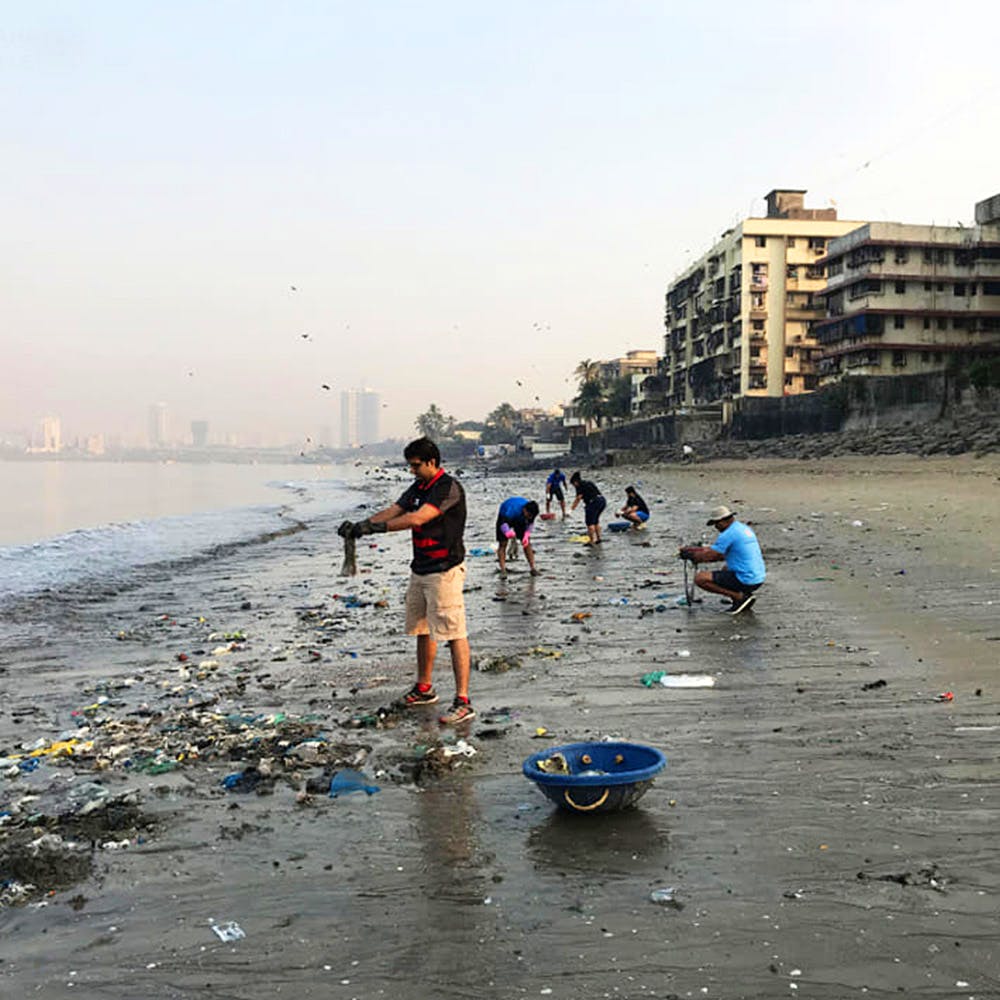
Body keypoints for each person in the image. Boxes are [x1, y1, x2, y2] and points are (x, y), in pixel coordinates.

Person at [337, 437, 474, 724]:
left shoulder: (447, 487)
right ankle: (424, 688)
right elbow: (396, 509)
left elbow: (417, 519)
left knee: (453, 632)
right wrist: (361, 526)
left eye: (415, 465)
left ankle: (463, 700)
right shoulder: (418, 487)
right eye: (409, 466)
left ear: (432, 462)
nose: (411, 471)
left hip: (444, 570)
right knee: (422, 629)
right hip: (421, 568)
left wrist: (377, 530)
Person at [679, 505, 765, 615]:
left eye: (716, 524)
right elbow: (720, 553)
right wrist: (694, 550)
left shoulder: (728, 534)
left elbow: (713, 555)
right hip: (758, 577)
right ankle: (740, 597)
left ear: (722, 521)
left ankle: (739, 597)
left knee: (700, 578)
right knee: (725, 568)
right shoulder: (742, 528)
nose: (716, 527)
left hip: (746, 579)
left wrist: (693, 556)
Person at [496, 497, 540, 577]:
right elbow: (503, 523)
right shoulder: (511, 510)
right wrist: (508, 532)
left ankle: (533, 568)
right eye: (529, 515)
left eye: (532, 516)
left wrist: (526, 535)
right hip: (504, 517)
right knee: (503, 543)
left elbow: (530, 524)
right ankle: (503, 570)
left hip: (520, 520)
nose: (530, 518)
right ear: (525, 510)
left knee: (527, 543)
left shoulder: (531, 513)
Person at [569, 471, 606, 545]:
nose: (574, 486)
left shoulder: (579, 486)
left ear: (575, 482)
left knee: (590, 523)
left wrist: (571, 509)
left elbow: (578, 498)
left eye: (573, 484)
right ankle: (598, 539)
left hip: (592, 503)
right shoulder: (589, 482)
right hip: (602, 500)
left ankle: (591, 541)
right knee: (596, 521)